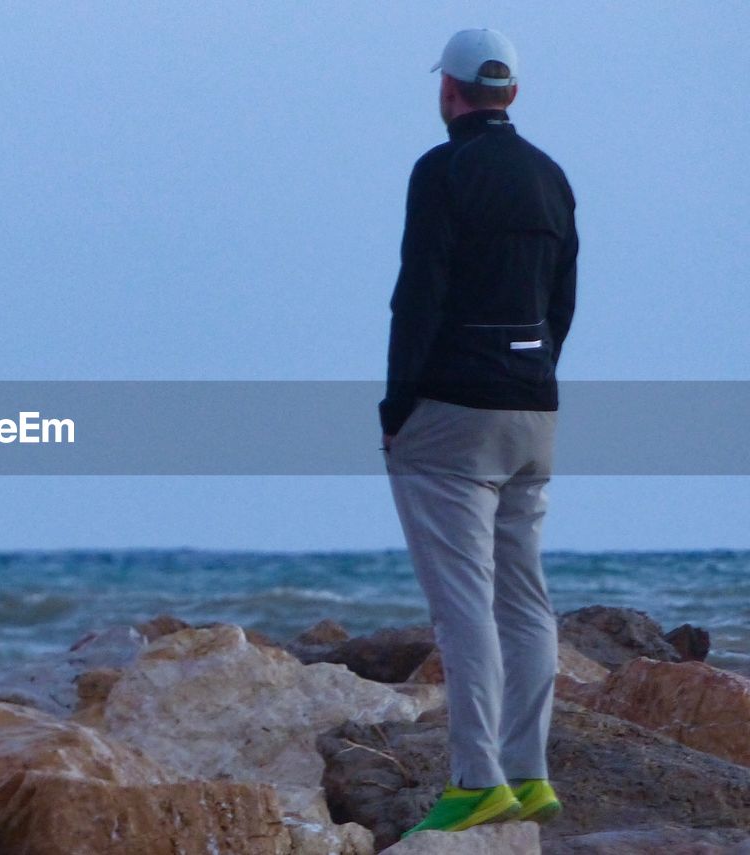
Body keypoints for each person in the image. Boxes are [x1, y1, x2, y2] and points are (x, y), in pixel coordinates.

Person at [379, 28, 578, 837]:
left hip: (452, 414)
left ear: (450, 92)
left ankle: (476, 778)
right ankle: (529, 775)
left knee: (464, 603)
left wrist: (399, 404)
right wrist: (535, 375)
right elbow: (564, 298)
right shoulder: (551, 176)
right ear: (513, 94)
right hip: (534, 409)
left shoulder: (442, 169)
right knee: (525, 599)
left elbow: (417, 292)